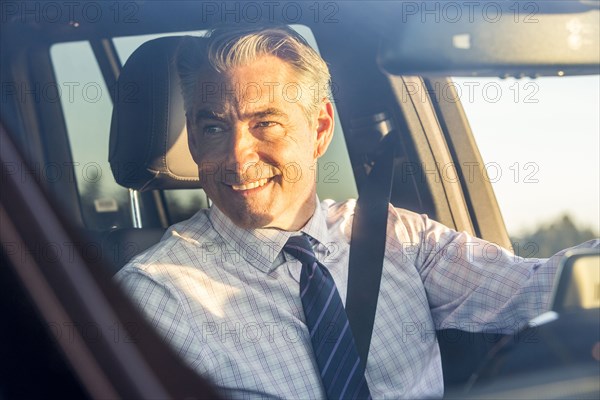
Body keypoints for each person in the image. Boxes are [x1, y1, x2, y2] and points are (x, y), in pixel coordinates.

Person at [115, 25, 598, 399]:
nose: (239, 157)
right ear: (194, 141)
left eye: (266, 124)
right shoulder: (160, 296)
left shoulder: (396, 237)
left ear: (320, 128)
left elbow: (538, 288)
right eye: (215, 128)